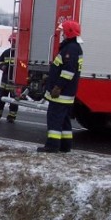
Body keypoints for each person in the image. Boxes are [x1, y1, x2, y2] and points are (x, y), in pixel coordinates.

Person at [38, 20, 83, 153]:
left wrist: (58, 86)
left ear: (69, 32)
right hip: (66, 93)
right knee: (64, 120)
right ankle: (65, 145)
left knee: (54, 119)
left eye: (63, 31)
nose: (62, 34)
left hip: (61, 94)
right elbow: (62, 68)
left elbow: (68, 72)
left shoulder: (71, 49)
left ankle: (52, 146)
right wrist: (50, 77)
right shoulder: (73, 47)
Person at [0, 33, 18, 123]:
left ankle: (11, 116)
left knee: (14, 101)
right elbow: (0, 61)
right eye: (12, 41)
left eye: (14, 41)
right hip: (5, 81)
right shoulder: (6, 52)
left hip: (15, 82)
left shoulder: (21, 53)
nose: (13, 43)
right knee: (1, 99)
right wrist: (2, 66)